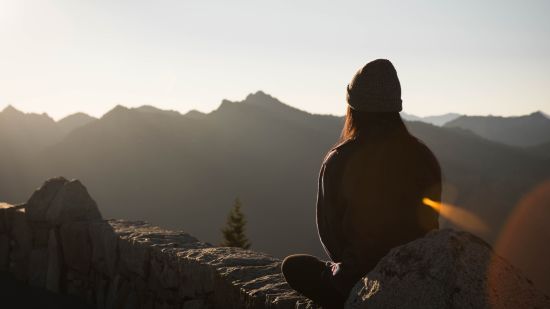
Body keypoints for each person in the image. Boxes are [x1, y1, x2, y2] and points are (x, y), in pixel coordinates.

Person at [281, 59, 442, 308]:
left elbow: (331, 235)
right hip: (418, 273)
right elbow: (430, 223)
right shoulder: (423, 157)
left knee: (294, 266)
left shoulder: (340, 160)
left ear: (353, 108)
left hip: (360, 281)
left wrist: (346, 269)